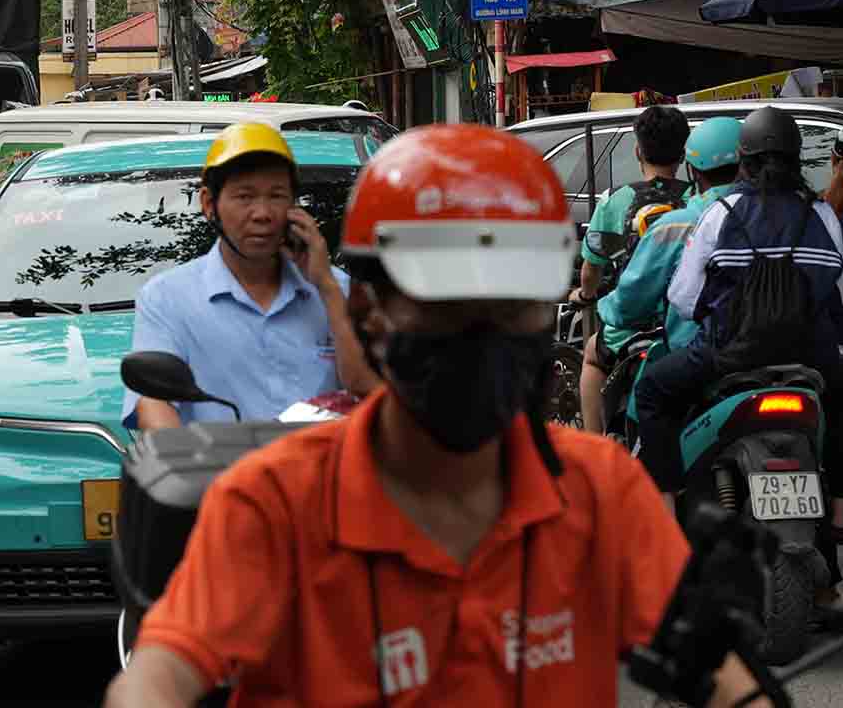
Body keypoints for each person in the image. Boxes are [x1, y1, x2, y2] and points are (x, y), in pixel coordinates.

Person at [105, 124, 763, 708]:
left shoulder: (600, 491)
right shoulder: (271, 503)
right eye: (443, 302)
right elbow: (160, 676)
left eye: (512, 303)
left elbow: (723, 678)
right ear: (372, 308)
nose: (481, 330)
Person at [634, 106, 843, 533]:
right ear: (796, 158)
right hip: (813, 358)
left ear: (744, 159)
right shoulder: (821, 215)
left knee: (653, 391)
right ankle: (839, 508)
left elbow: (684, 299)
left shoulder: (721, 213)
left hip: (728, 356)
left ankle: (664, 516)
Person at [121, 122, 371, 430]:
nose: (262, 213)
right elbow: (153, 404)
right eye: (244, 197)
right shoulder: (167, 298)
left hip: (321, 474)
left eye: (276, 196)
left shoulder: (336, 288)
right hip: (218, 474)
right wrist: (182, 468)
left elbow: (368, 390)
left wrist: (327, 288)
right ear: (209, 204)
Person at [572, 104, 691, 433]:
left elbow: (590, 270)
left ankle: (595, 447)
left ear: (638, 150)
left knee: (592, 358)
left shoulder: (614, 202)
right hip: (683, 328)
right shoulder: (698, 199)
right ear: (682, 153)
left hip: (629, 331)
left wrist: (585, 293)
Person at [598, 118, 743, 371]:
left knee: (645, 398)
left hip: (697, 351)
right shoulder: (785, 213)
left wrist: (602, 305)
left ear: (693, 168)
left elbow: (631, 301)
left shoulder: (676, 223)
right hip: (776, 350)